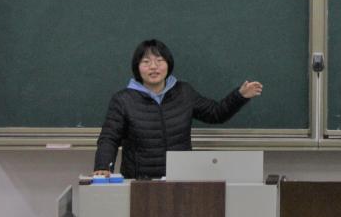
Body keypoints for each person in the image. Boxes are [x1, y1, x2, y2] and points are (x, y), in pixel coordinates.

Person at [92, 38, 263, 179]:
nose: (153, 67)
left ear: (168, 64)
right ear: (137, 67)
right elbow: (109, 138)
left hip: (181, 179)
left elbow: (215, 113)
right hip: (139, 182)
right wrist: (103, 167)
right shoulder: (123, 99)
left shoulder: (184, 92)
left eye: (159, 61)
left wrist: (240, 95)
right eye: (146, 62)